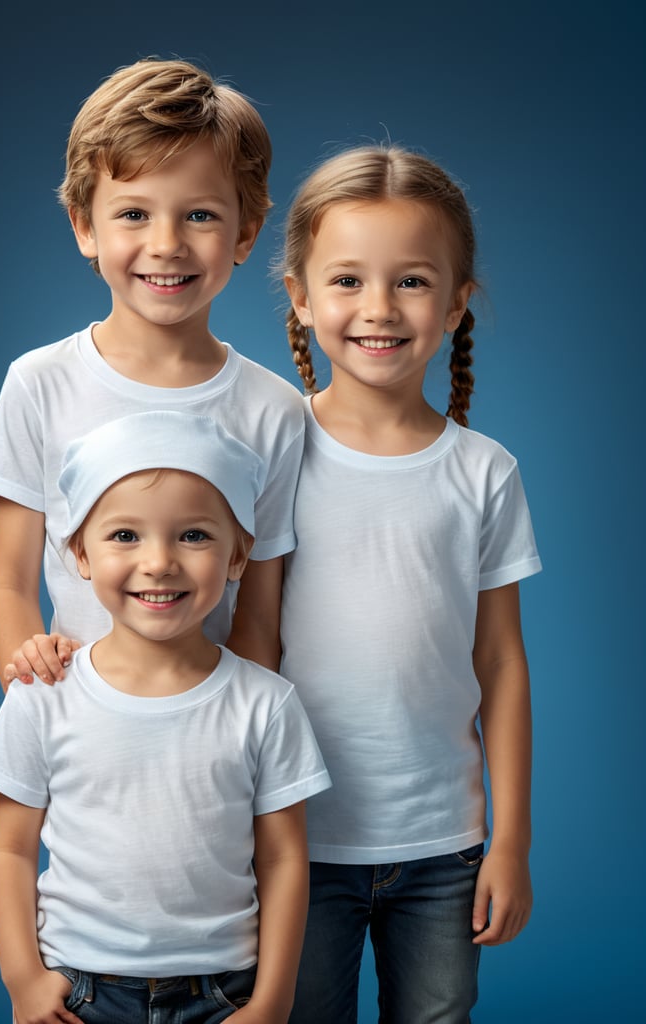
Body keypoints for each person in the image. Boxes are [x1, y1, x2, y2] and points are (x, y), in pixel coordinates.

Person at [275, 145, 542, 1024]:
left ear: (457, 299)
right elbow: (239, 643)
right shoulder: (269, 454)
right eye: (346, 280)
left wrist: (510, 842)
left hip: (443, 851)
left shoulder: (482, 473)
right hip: (295, 839)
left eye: (413, 281)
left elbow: (499, 664)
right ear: (301, 297)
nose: (378, 309)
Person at [0, 410, 331, 1024]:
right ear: (80, 553)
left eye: (193, 535)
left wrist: (273, 999)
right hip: (82, 990)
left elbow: (283, 858)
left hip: (224, 992)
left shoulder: (266, 705)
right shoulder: (44, 696)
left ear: (239, 555)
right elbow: (9, 847)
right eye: (125, 536)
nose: (159, 562)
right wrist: (22, 978)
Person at [0, 57, 303, 688]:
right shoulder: (39, 383)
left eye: (200, 215)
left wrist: (242, 741)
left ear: (246, 232)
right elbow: (8, 584)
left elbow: (259, 621)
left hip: (214, 748)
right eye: (134, 214)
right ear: (84, 226)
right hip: (80, 737)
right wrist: (41, 710)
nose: (167, 243)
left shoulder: (274, 409)